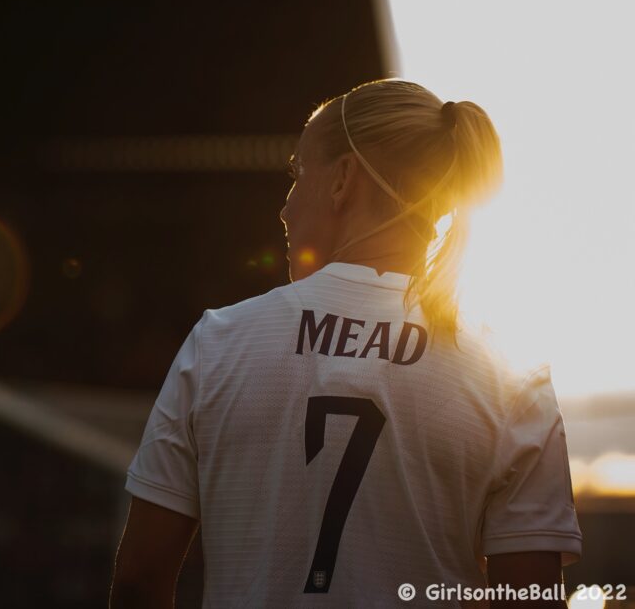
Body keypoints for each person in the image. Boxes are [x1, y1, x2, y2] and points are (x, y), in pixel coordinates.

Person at [109, 79, 581, 608]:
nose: (285, 209)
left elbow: (138, 579)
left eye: (297, 173)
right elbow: (532, 599)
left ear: (343, 179)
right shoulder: (510, 376)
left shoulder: (219, 342)